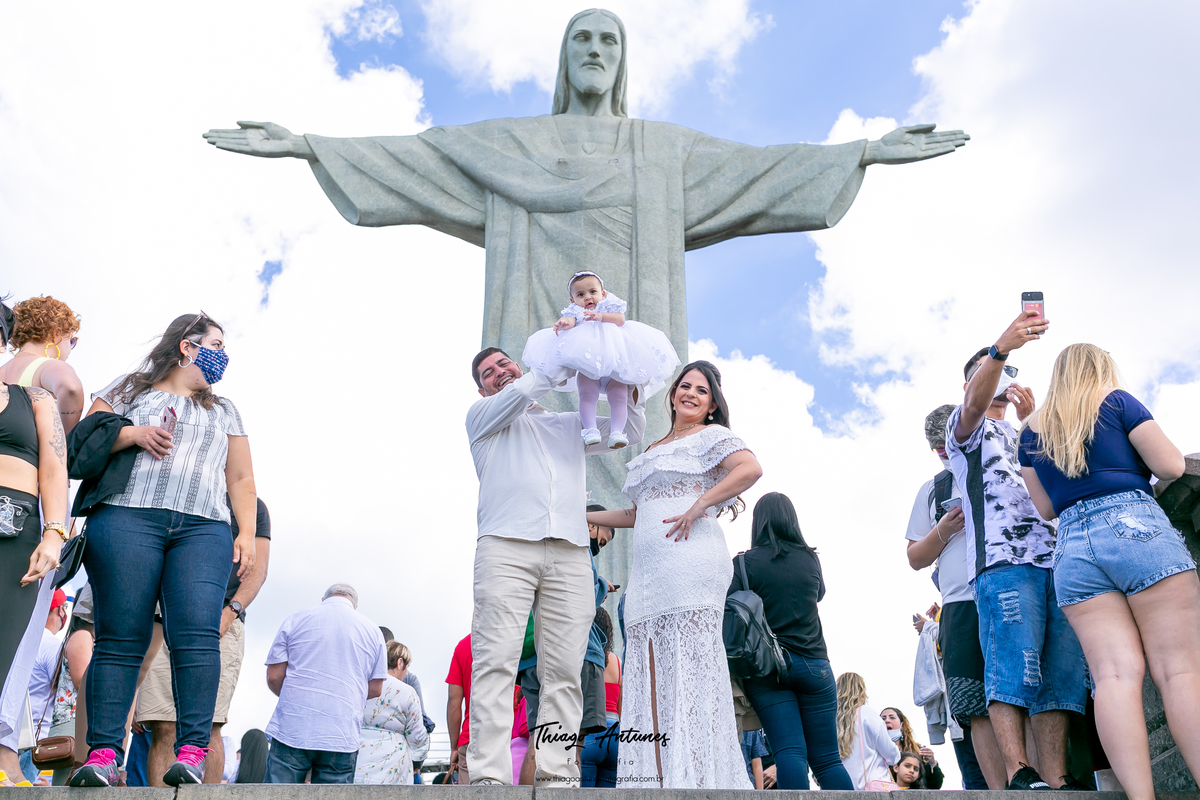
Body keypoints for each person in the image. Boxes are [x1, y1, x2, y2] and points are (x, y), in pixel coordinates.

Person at [69, 311, 257, 788]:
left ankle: (193, 751)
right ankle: (104, 755)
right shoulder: (131, 388)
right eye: (215, 344)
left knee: (196, 633)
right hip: (126, 518)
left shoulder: (226, 410)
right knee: (120, 637)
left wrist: (247, 533)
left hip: (203, 528)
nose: (222, 355)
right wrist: (132, 433)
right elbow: (80, 443)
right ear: (187, 346)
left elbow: (240, 478)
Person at [1018, 343, 1200, 800]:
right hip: (1135, 525)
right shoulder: (1116, 402)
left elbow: (1043, 508)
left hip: (1073, 549)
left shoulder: (1030, 432)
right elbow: (1172, 465)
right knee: (1180, 670)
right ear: (1103, 370)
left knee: (1113, 678)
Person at [465, 346, 646, 786]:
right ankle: (488, 776)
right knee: (495, 660)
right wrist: (551, 366)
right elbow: (526, 388)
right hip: (506, 546)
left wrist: (620, 380)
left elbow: (634, 429)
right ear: (480, 388)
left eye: (504, 364)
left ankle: (557, 772)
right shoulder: (483, 416)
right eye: (488, 373)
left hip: (567, 551)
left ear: (519, 365)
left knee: (564, 669)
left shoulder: (568, 425)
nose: (499, 374)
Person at [587, 360, 763, 788]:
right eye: (685, 386)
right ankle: (659, 777)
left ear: (712, 406)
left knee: (691, 664)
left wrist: (700, 504)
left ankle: (701, 775)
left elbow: (750, 469)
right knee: (649, 666)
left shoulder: (713, 436)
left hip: (691, 560)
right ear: (672, 394)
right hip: (648, 573)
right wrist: (580, 512)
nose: (690, 394)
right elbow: (635, 512)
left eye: (701, 391)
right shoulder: (652, 449)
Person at [945, 310, 1086, 791]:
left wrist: (1035, 424)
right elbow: (971, 406)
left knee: (1059, 675)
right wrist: (1000, 348)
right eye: (996, 372)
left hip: (1059, 561)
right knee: (1012, 664)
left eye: (1011, 373)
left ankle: (1056, 777)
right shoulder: (965, 431)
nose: (1008, 379)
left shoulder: (1030, 431)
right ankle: (1017, 771)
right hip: (1004, 563)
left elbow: (1064, 482)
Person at [137, 496, 271, 786]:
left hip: (221, 621)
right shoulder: (179, 487)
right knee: (163, 725)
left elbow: (258, 569)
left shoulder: (252, 506)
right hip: (162, 617)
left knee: (210, 726)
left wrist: (231, 612)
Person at [725, 492, 852, 790]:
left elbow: (729, 606)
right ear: (791, 521)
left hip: (767, 669)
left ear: (758, 523)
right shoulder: (810, 559)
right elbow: (818, 595)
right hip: (815, 665)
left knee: (789, 753)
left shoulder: (744, 564)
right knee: (828, 760)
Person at [905, 404, 1001, 789]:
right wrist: (943, 530)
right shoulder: (932, 489)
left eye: (947, 444)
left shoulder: (999, 466)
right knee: (972, 703)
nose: (944, 453)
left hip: (1008, 585)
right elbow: (914, 556)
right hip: (960, 604)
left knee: (1024, 692)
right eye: (937, 450)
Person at [0, 301, 69, 787]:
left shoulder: (37, 400)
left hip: (18, 529)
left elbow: (55, 471)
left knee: (6, 644)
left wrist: (54, 533)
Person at [522, 270, 679, 449]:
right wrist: (564, 323)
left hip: (614, 365)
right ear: (573, 300)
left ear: (602, 293)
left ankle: (617, 432)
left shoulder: (609, 305)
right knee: (587, 395)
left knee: (619, 396)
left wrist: (601, 317)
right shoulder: (576, 311)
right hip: (589, 365)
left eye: (592, 292)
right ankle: (590, 430)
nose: (588, 297)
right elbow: (570, 320)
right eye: (580, 294)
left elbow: (620, 320)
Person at [263, 584, 386, 783]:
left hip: (293, 725)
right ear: (354, 606)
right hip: (342, 731)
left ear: (323, 600)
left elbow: (274, 677)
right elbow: (376, 687)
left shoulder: (295, 619)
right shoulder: (372, 631)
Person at [0, 295, 85, 434]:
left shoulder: (2, 370)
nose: (70, 350)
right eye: (71, 341)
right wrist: (65, 441)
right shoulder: (49, 366)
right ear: (56, 335)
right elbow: (71, 387)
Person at [355, 640, 429, 784]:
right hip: (393, 767)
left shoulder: (363, 685)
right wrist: (419, 758)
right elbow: (417, 736)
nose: (406, 671)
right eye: (407, 666)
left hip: (359, 762)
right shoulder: (407, 692)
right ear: (400, 663)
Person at [836, 672, 900, 790]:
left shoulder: (830, 717)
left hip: (841, 786)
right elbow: (892, 756)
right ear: (861, 691)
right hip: (872, 787)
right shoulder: (866, 713)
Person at [580, 607, 621, 788]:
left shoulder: (582, 658)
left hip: (590, 732)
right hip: (614, 736)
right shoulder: (618, 662)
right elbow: (621, 706)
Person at [880, 707, 944, 789]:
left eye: (892, 717)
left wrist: (932, 763)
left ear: (902, 725)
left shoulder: (917, 751)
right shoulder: (873, 751)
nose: (887, 721)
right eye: (883, 718)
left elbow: (935, 785)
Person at [445, 633, 471, 785]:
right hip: (510, 736)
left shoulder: (463, 646)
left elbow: (454, 701)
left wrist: (454, 747)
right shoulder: (517, 637)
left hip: (471, 737)